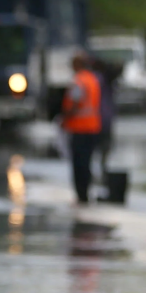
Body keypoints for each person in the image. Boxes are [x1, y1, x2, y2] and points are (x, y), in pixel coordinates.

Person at [64, 53, 103, 204]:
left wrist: (65, 118)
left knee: (79, 164)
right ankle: (86, 193)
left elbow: (74, 102)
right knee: (87, 162)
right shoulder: (93, 80)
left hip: (79, 128)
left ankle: (81, 195)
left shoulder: (78, 81)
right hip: (93, 127)